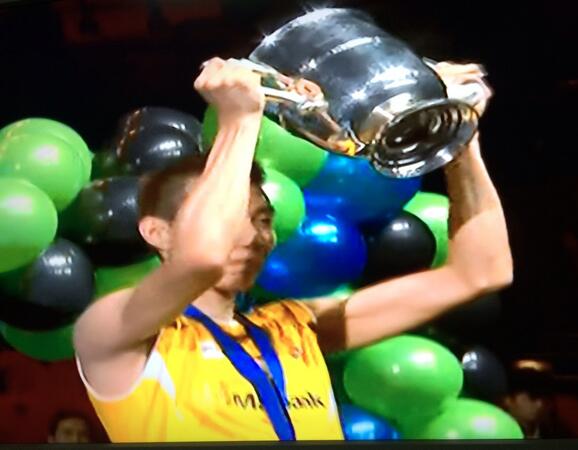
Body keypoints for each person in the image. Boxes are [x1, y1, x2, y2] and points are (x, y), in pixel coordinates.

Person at [73, 58, 512, 442]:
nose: (252, 236)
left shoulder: (296, 327)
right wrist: (239, 122)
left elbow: (482, 272)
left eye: (263, 220)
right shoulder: (111, 330)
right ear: (157, 232)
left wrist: (457, 136)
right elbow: (203, 257)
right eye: (233, 216)